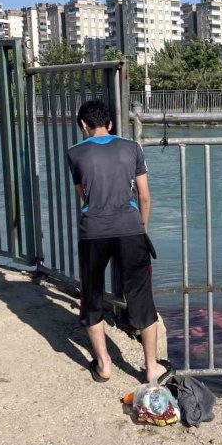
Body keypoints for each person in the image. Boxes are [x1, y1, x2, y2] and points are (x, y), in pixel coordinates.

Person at [66, 99, 169, 384]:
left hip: (94, 232)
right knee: (141, 296)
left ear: (83, 125)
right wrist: (140, 228)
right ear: (110, 124)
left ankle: (104, 365)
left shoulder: (74, 153)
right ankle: (151, 368)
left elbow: (83, 194)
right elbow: (144, 196)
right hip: (130, 229)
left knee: (92, 295)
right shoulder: (132, 148)